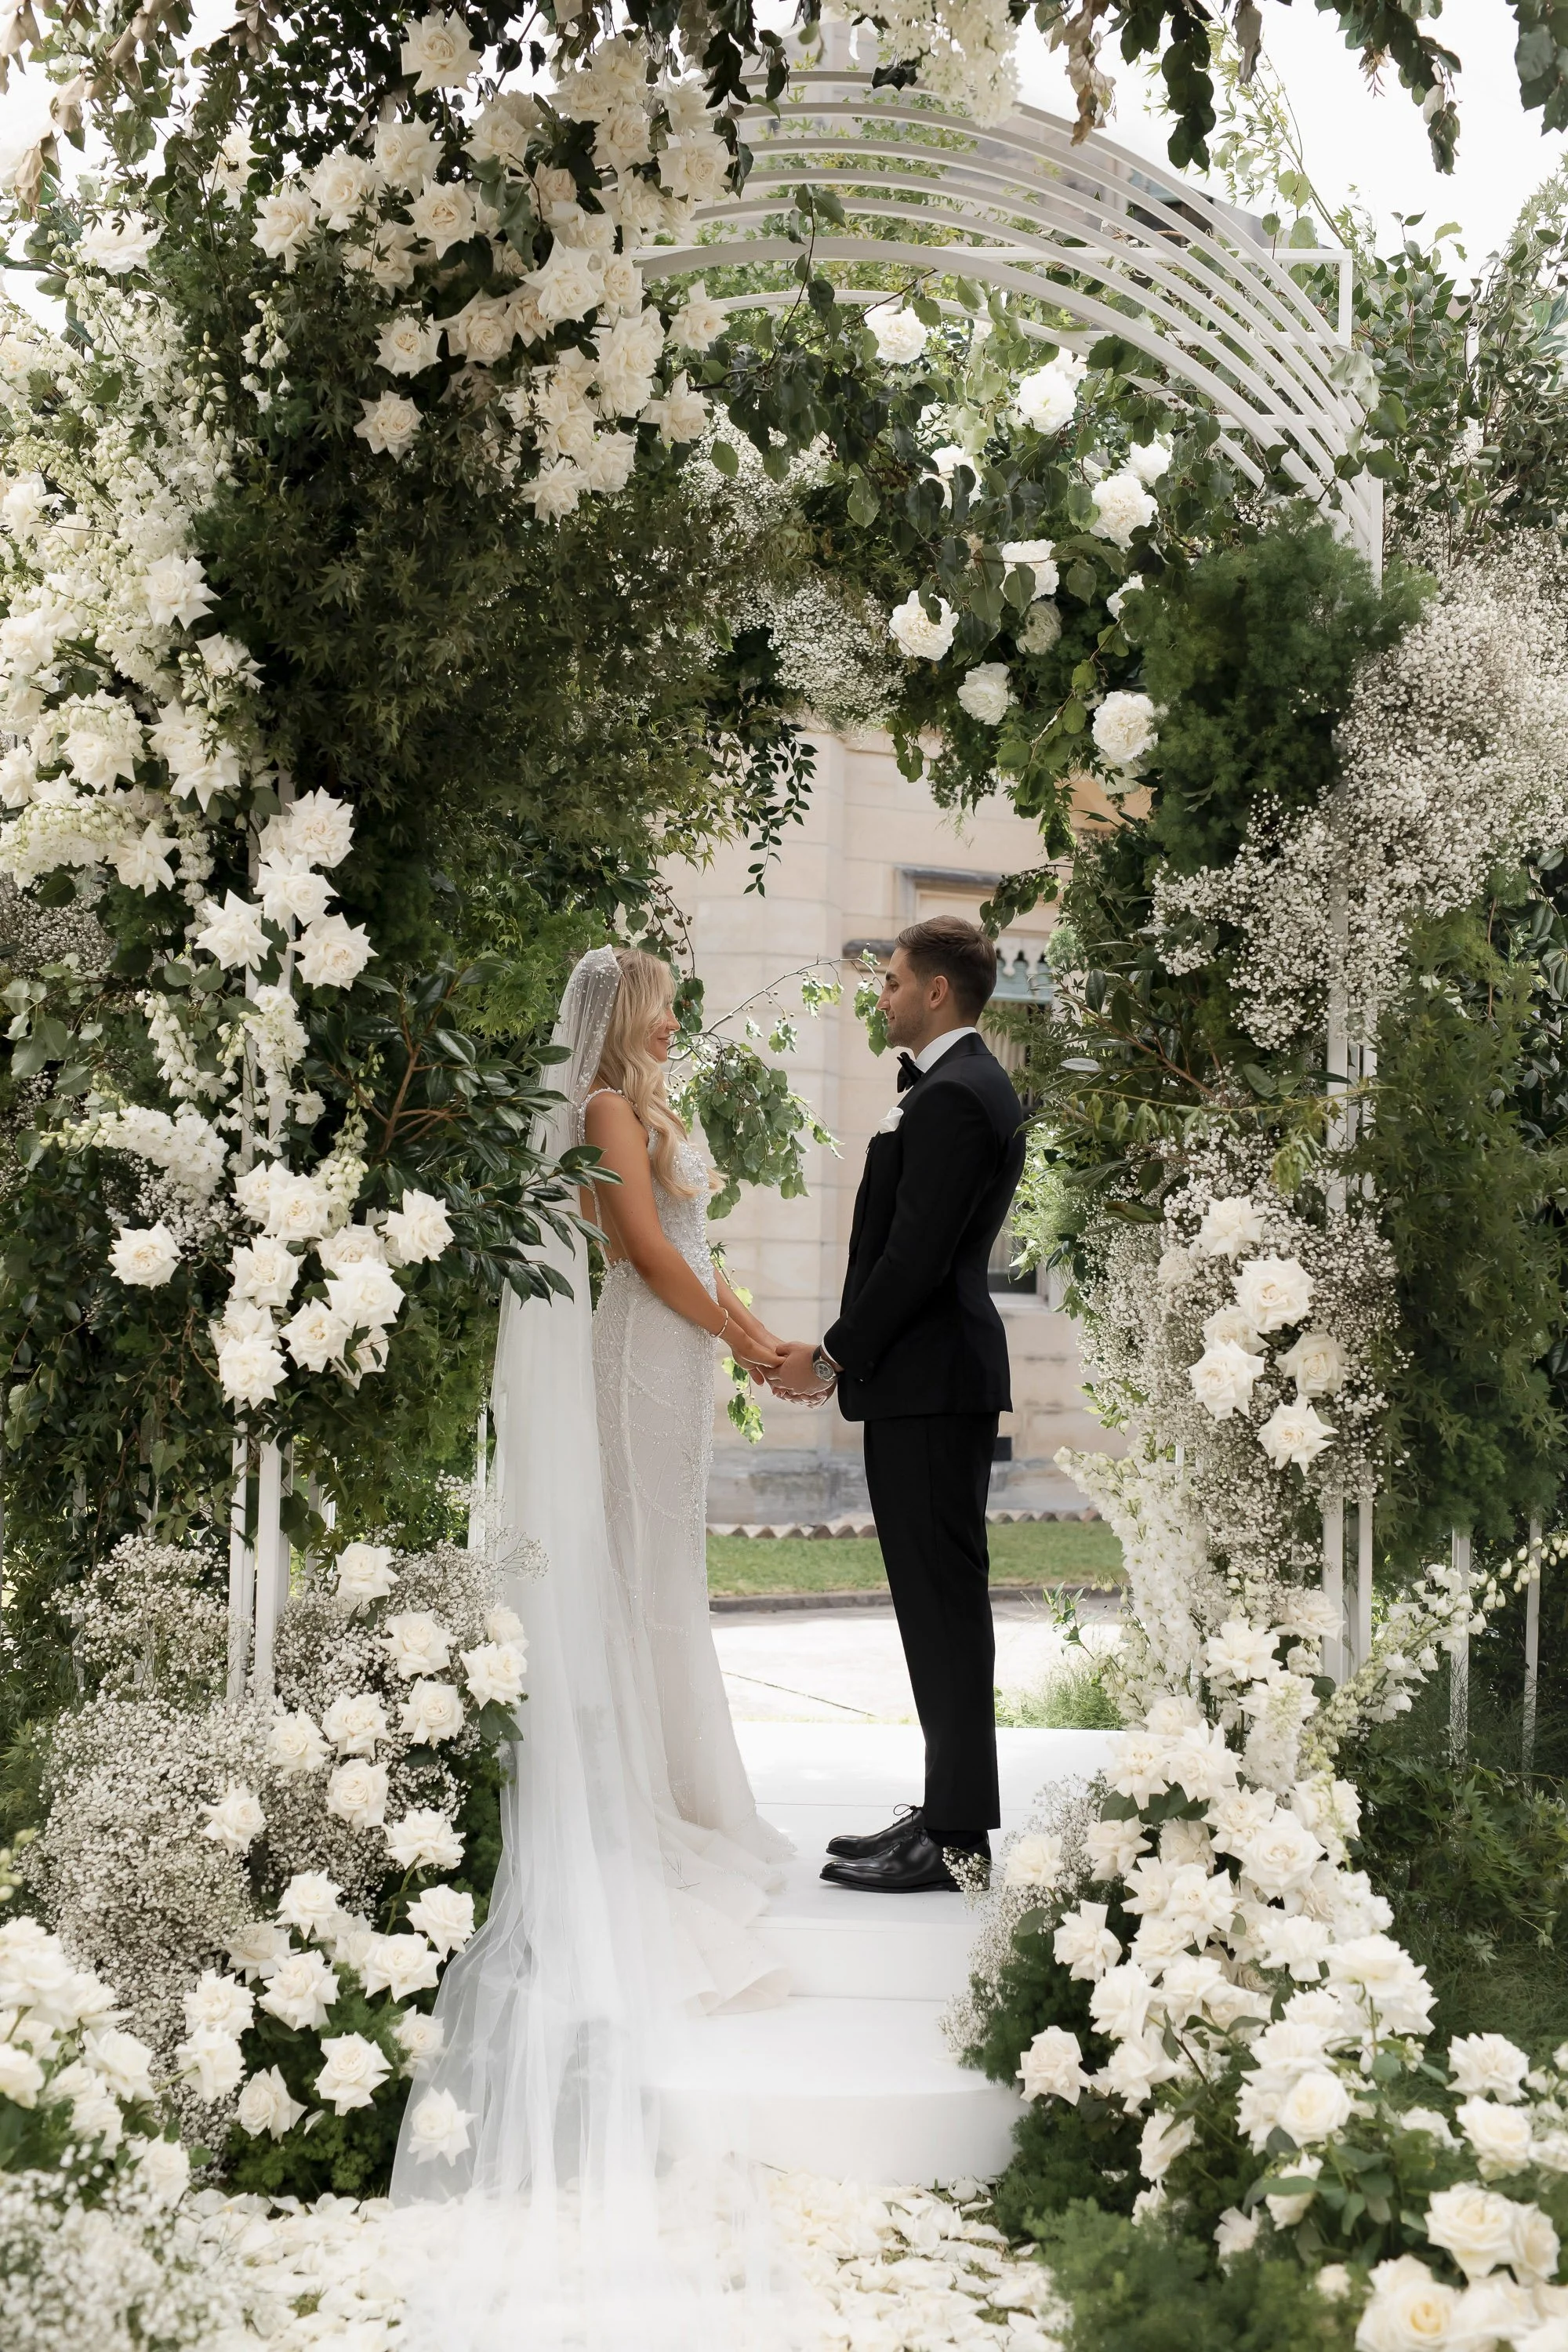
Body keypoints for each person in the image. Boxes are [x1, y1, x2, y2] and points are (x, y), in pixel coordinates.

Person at [388, 948, 799, 2350]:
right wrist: (746, 1336)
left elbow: (694, 1252)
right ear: (621, 1014)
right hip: (640, 1356)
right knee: (638, 1581)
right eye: (663, 998)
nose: (679, 1012)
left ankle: (685, 1793)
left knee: (667, 1578)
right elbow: (644, 1254)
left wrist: (742, 1329)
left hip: (679, 1354)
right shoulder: (609, 1116)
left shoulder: (652, 1102)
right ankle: (650, 1805)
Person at [770, 916, 1025, 1894]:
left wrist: (829, 1357)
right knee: (933, 1608)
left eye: (890, 982)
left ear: (933, 993)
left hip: (932, 1384)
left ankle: (955, 1840)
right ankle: (945, 1812)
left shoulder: (959, 1097)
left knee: (944, 1609)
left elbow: (915, 1258)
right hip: (920, 1385)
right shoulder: (949, 1088)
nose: (878, 996)